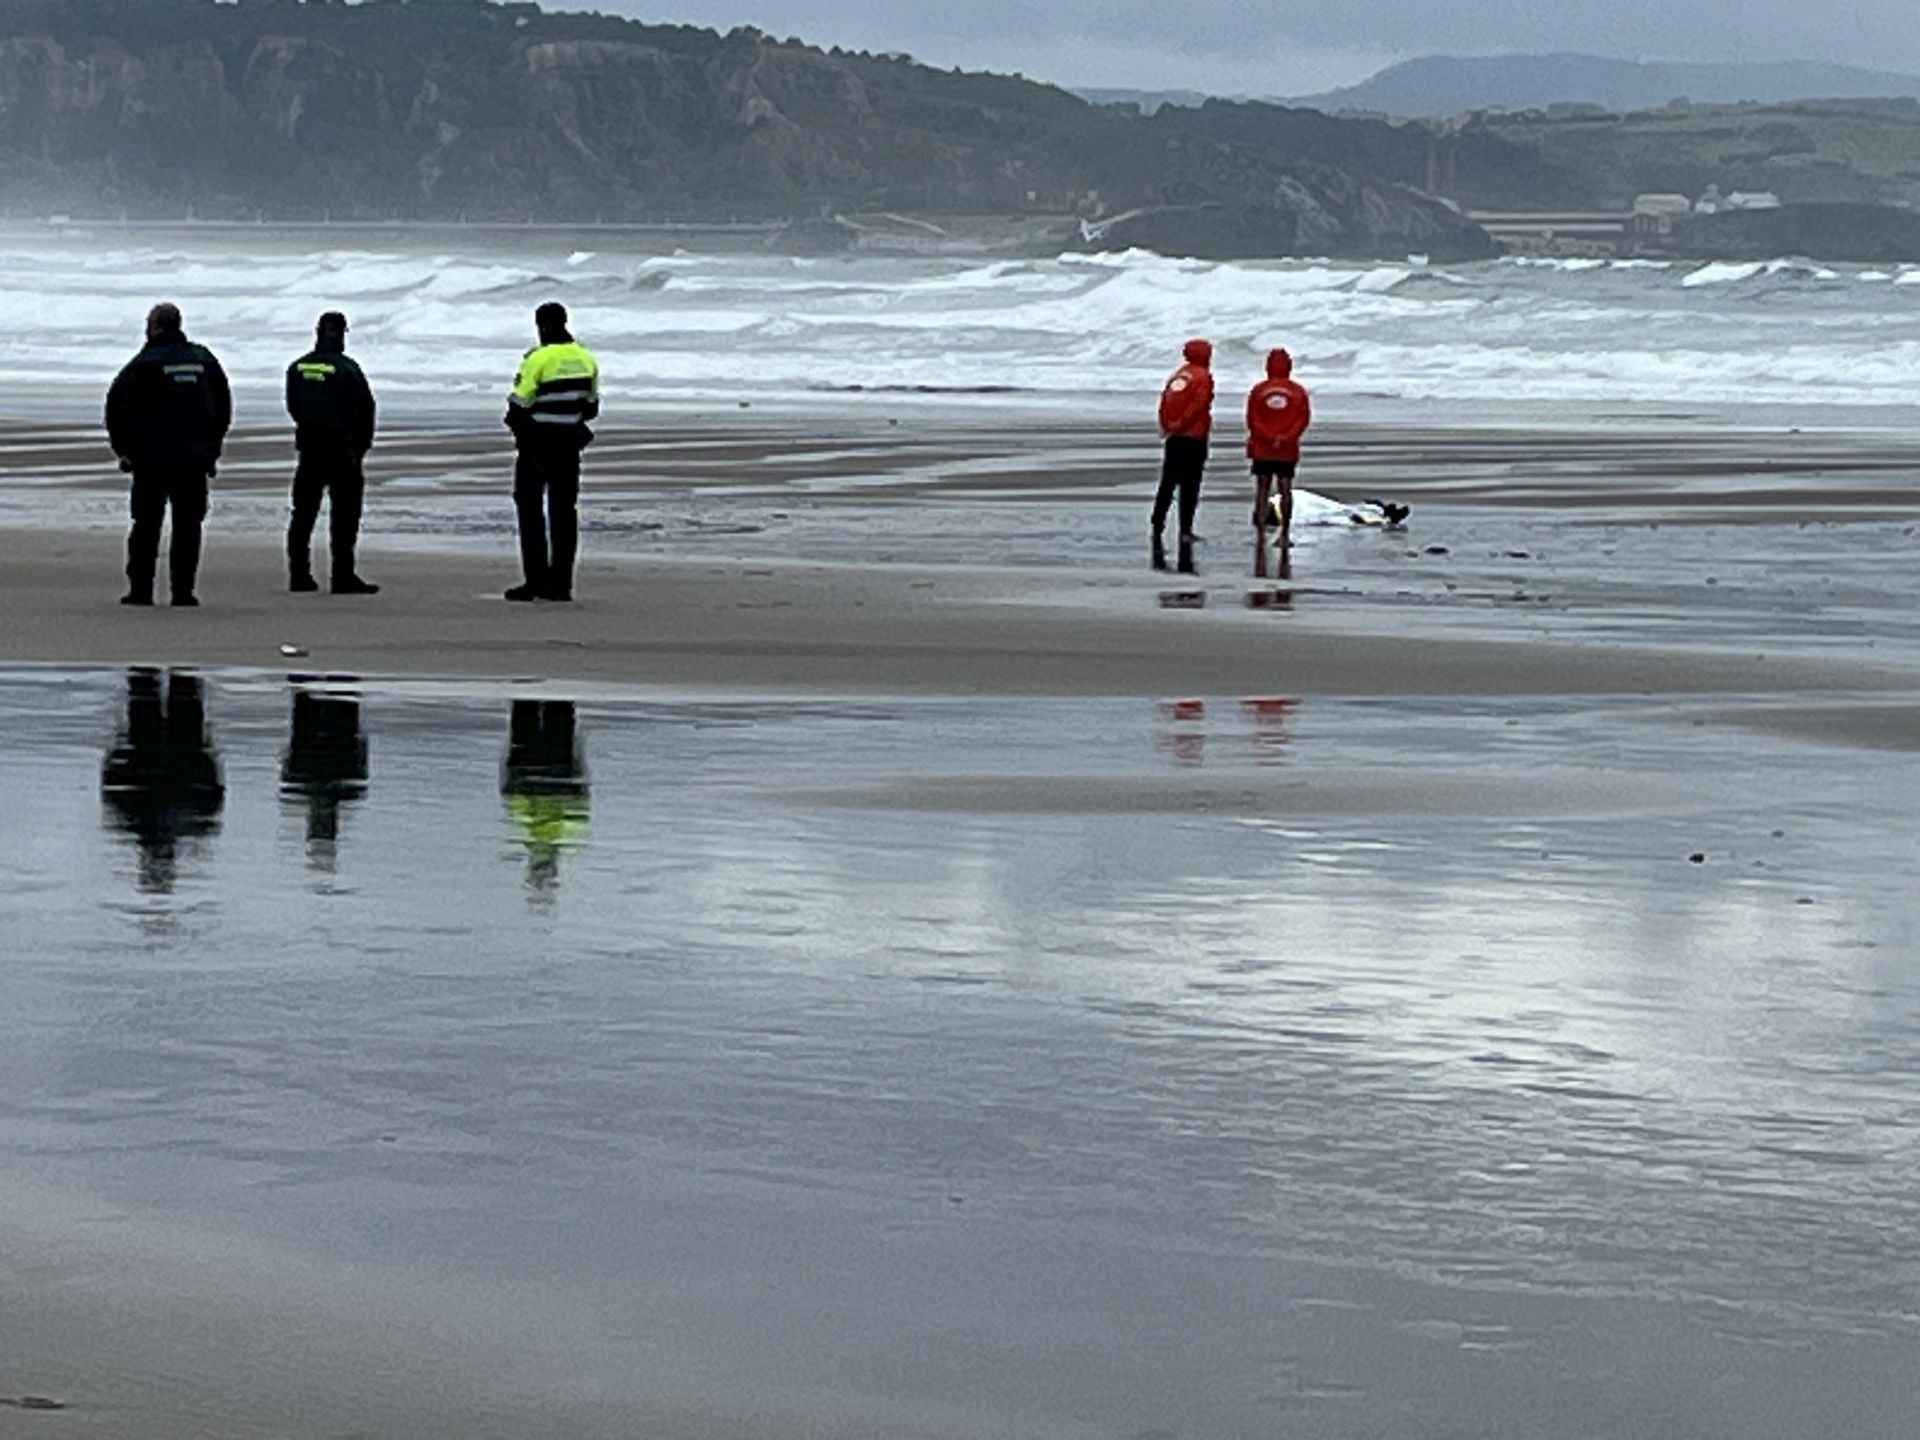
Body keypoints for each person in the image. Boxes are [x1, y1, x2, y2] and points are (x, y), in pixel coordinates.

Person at [105, 303, 232, 606]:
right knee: (188, 526)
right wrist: (212, 447)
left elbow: (117, 409)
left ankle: (140, 590)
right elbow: (223, 405)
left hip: (152, 459)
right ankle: (183, 592)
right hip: (193, 459)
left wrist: (124, 451)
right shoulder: (203, 360)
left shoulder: (143, 364)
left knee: (146, 525)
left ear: (155, 327)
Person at [505, 301, 600, 602]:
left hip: (536, 445)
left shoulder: (538, 359)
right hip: (569, 445)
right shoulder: (586, 358)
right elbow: (591, 408)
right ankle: (561, 584)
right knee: (564, 511)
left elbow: (519, 405)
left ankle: (534, 581)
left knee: (530, 509)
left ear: (541, 326)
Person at [285, 311, 379, 594]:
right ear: (342, 333)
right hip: (342, 451)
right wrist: (361, 446)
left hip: (311, 449)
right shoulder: (348, 369)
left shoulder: (298, 367)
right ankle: (342, 576)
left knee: (303, 514)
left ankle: (299, 575)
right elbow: (365, 410)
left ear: (317, 331)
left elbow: (294, 406)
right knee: (345, 517)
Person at [1152, 338, 1214, 574]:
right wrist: (1182, 424)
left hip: (1173, 436)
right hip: (1193, 436)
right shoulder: (1203, 377)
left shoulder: (1177, 376)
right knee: (1190, 485)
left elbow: (1164, 403)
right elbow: (1199, 405)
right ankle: (1185, 530)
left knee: (1167, 481)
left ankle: (1157, 522)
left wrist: (1167, 425)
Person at [1246, 347, 1312, 568]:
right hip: (1286, 449)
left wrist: (1267, 437)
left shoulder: (1258, 390)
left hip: (1263, 448)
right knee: (1285, 489)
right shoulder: (1298, 391)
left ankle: (1261, 533)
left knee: (1262, 489)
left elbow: (1252, 419)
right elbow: (1303, 419)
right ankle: (1285, 534)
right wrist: (1285, 438)